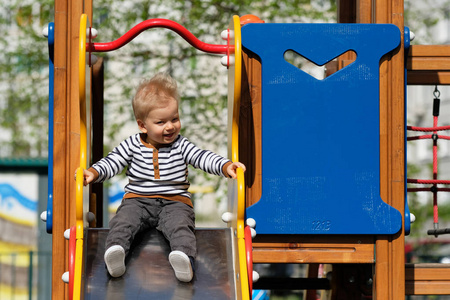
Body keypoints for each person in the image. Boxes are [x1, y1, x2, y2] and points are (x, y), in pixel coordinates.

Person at [81, 72, 246, 283]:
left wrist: (225, 166)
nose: (170, 126)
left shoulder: (181, 144)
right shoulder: (132, 144)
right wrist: (93, 173)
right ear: (143, 125)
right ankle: (116, 252)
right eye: (161, 122)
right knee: (123, 221)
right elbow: (112, 162)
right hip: (138, 200)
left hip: (175, 202)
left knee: (180, 226)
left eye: (174, 119)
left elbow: (202, 157)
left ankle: (184, 259)